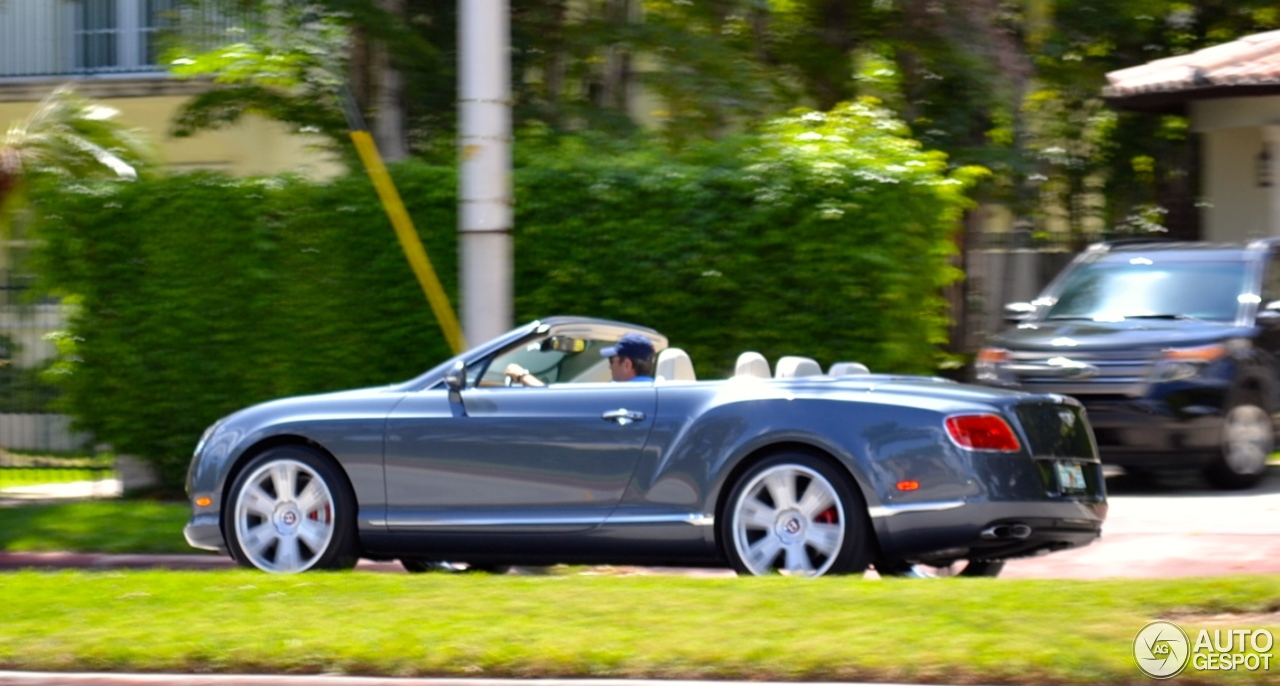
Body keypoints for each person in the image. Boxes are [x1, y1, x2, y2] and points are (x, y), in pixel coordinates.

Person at [504, 333, 656, 385]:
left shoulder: (619, 393)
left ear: (627, 365)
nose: (610, 367)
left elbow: (557, 402)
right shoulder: (655, 391)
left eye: (612, 361)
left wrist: (521, 375)